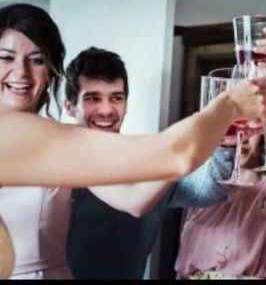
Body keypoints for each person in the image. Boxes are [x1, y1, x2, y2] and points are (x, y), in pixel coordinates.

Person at [0, 4, 266, 279]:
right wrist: (228, 106)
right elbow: (174, 155)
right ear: (71, 106)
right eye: (5, 57)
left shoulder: (58, 139)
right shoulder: (43, 140)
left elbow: (136, 199)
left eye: (36, 59)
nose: (21, 72)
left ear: (50, 69)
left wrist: (223, 130)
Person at [63, 47, 237, 279]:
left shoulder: (148, 157)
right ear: (69, 106)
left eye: (116, 98)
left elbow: (207, 191)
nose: (106, 110)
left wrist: (225, 143)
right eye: (93, 98)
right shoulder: (60, 160)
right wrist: (204, 123)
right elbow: (135, 201)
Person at [175, 131, 266, 279]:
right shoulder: (202, 189)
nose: (241, 138)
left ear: (263, 136)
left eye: (251, 129)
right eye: (234, 129)